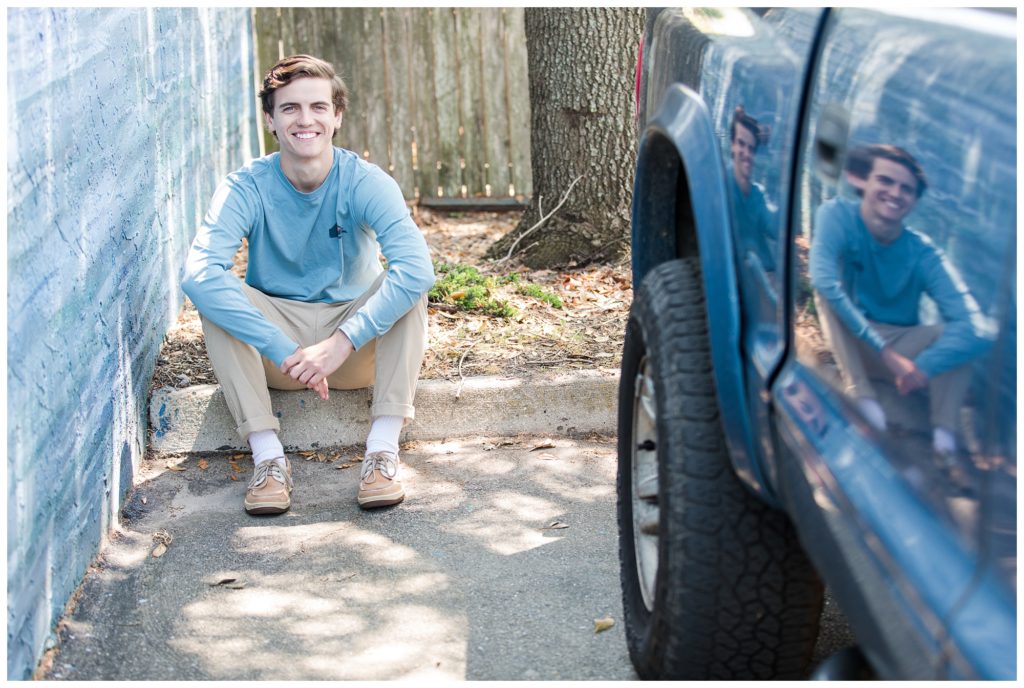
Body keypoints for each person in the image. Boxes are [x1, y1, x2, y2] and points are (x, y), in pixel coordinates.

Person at [182, 54, 434, 515]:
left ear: (336, 117)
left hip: (354, 347)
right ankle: (269, 461)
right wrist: (281, 347)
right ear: (270, 119)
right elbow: (198, 274)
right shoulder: (245, 186)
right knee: (216, 294)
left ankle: (381, 454)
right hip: (280, 355)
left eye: (318, 107)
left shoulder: (364, 181)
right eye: (290, 108)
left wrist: (343, 342)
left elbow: (417, 268)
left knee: (407, 285)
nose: (306, 120)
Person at [809, 144, 990, 460]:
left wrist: (922, 368)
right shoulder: (835, 215)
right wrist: (885, 353)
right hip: (853, 339)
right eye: (885, 180)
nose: (895, 192)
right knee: (825, 292)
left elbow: (977, 328)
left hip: (901, 351)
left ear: (915, 200)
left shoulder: (923, 252)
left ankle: (944, 439)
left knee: (955, 335)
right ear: (864, 182)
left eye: (906, 189)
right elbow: (822, 278)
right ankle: (862, 398)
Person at [729, 106, 776, 274]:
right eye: (741, 144)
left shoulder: (757, 194)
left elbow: (774, 228)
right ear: (732, 145)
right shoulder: (721, 189)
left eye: (751, 148)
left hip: (762, 276)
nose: (746, 153)